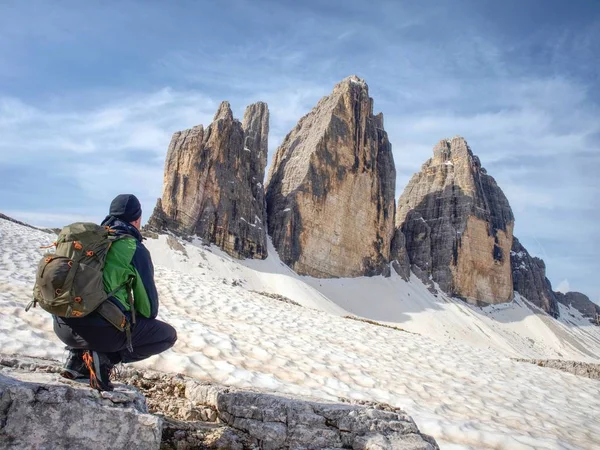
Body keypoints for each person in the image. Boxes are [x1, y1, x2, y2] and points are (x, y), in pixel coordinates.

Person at [53, 194, 177, 391]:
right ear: (137, 219)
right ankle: (104, 358)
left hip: (62, 326)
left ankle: (78, 358)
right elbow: (148, 310)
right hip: (101, 333)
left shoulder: (87, 241)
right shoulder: (132, 247)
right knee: (167, 335)